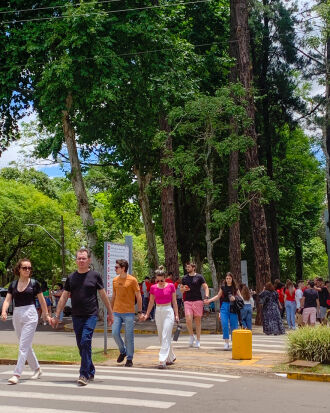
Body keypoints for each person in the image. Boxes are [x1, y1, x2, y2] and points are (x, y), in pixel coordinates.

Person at [51, 248, 114, 386]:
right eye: (79, 258)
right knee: (81, 345)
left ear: (89, 260)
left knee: (85, 341)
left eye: (83, 258)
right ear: (76, 260)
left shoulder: (95, 276)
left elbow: (103, 295)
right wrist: (56, 315)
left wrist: (110, 312)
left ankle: (83, 374)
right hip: (76, 316)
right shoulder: (71, 277)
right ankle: (90, 369)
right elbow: (63, 297)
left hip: (91, 315)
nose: (81, 261)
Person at [1, 258, 51, 384]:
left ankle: (16, 374)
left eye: (29, 268)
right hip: (17, 314)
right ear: (19, 269)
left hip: (30, 314)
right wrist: (4, 311)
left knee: (23, 346)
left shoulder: (34, 284)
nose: (27, 270)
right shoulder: (13, 284)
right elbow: (7, 300)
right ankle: (37, 369)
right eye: (24, 268)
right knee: (26, 345)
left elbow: (42, 300)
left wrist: (45, 314)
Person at [142, 266, 179, 369]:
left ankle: (162, 360)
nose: (161, 282)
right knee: (161, 336)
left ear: (165, 277)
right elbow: (151, 302)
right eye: (158, 280)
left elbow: (174, 301)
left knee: (165, 334)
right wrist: (147, 314)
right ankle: (171, 357)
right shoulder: (153, 287)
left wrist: (176, 314)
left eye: (162, 280)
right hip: (158, 311)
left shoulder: (171, 286)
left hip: (168, 311)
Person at [111, 259, 143, 367]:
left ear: (123, 268)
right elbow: (114, 296)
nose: (115, 269)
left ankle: (129, 358)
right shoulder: (115, 280)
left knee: (129, 336)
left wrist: (140, 311)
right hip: (116, 312)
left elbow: (138, 296)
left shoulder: (132, 280)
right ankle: (123, 350)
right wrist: (110, 311)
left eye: (117, 267)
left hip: (129, 312)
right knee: (114, 333)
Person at [204, 272, 241, 350]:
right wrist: (209, 300)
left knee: (234, 325)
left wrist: (235, 298)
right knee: (224, 324)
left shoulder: (235, 288)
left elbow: (241, 298)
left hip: (233, 307)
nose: (228, 280)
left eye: (229, 278)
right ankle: (226, 343)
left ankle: (234, 342)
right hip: (224, 306)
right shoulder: (223, 287)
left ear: (232, 279)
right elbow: (218, 296)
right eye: (227, 278)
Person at [181, 262, 209, 349]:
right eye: (186, 267)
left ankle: (198, 340)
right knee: (188, 319)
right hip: (187, 301)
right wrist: (183, 289)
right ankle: (191, 336)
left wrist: (206, 296)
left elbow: (205, 287)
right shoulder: (184, 278)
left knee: (197, 321)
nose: (187, 268)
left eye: (188, 267)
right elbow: (181, 290)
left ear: (193, 267)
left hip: (198, 300)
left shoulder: (199, 277)